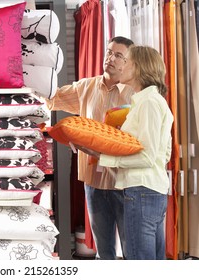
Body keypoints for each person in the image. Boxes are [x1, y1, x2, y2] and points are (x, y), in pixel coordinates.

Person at [45, 36, 135, 259]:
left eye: (118, 55)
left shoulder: (134, 94)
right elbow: (51, 98)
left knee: (131, 248)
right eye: (108, 52)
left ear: (128, 62)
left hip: (123, 180)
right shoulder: (85, 87)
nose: (110, 59)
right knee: (103, 249)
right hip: (93, 182)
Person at [96, 46, 174, 260]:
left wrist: (106, 158)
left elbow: (148, 156)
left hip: (142, 191)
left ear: (139, 68)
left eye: (127, 61)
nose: (122, 65)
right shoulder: (150, 101)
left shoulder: (148, 103)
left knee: (140, 261)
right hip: (150, 191)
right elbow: (163, 154)